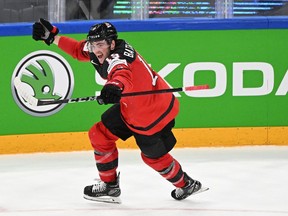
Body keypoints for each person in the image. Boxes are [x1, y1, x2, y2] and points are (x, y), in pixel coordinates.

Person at [32, 18, 203, 203]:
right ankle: (110, 186)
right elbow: (77, 50)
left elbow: (122, 73)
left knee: (152, 157)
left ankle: (187, 184)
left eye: (100, 44)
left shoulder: (118, 58)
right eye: (92, 44)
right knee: (99, 134)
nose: (95, 49)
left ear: (112, 44)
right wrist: (53, 37)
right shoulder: (99, 49)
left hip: (150, 113)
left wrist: (114, 87)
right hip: (137, 105)